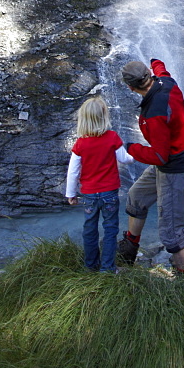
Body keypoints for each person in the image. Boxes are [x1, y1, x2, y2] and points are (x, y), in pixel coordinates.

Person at [118, 57, 184, 272]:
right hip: (174, 156)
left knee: (171, 233)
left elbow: (159, 156)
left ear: (131, 88)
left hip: (174, 166)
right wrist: (156, 61)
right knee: (136, 198)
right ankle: (130, 249)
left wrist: (131, 148)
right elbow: (162, 69)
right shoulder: (166, 83)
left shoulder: (155, 114)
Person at [65, 94, 134, 272]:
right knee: (110, 229)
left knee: (89, 229)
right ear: (104, 117)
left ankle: (91, 265)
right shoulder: (112, 137)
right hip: (110, 193)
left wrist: (70, 194)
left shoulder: (80, 144)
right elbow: (124, 159)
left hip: (89, 194)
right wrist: (136, 155)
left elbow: (73, 172)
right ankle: (108, 268)